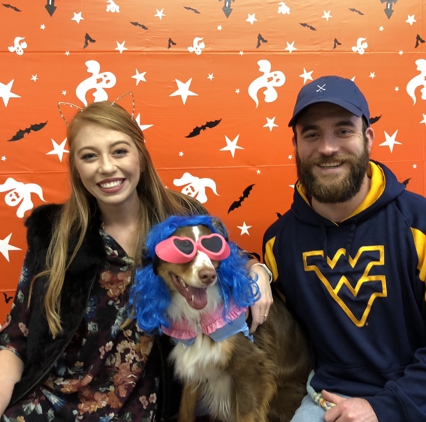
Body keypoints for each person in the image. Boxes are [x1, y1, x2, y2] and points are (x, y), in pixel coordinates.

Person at [0, 98, 273, 421]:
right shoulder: (53, 235)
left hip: (140, 406)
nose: (106, 167)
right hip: (52, 401)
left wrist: (260, 272)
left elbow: (231, 264)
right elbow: (15, 341)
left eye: (119, 151)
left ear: (140, 156)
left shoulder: (181, 219)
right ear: (76, 166)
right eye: (89, 156)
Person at [263, 75, 426, 422]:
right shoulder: (278, 243)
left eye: (343, 130)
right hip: (330, 397)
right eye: (312, 134)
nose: (327, 148)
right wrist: (254, 269)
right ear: (296, 144)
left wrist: (383, 408)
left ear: (368, 137)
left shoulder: (424, 226)